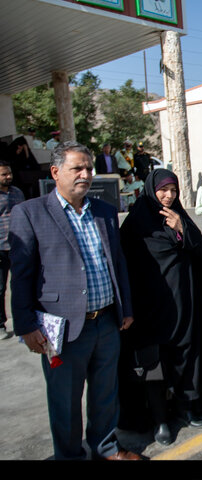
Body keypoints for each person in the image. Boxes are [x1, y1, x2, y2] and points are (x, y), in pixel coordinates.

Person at [9, 141, 140, 460]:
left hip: (107, 321)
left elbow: (117, 262)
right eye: (77, 168)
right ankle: (69, 455)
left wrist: (126, 308)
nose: (85, 174)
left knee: (105, 393)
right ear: (55, 172)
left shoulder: (104, 211)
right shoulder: (30, 212)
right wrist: (26, 325)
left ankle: (105, 447)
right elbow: (22, 275)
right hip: (62, 327)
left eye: (89, 168)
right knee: (64, 399)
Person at [118, 169, 202, 445]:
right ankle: (161, 420)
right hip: (150, 308)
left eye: (173, 190)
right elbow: (123, 265)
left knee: (186, 357)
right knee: (154, 365)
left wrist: (182, 230)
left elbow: (201, 251)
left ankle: (187, 408)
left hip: (184, 304)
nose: (169, 195)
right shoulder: (137, 223)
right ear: (151, 189)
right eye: (164, 189)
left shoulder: (179, 217)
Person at [0, 161, 24, 340]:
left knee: (21, 286)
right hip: (0, 248)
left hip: (19, 246)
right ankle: (1, 323)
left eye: (9, 173)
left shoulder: (17, 193)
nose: (8, 176)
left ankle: (22, 323)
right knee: (0, 287)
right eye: (3, 174)